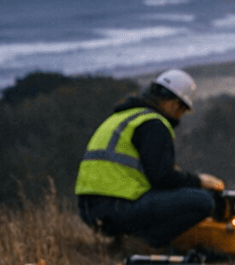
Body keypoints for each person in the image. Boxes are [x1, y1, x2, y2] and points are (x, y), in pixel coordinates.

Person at [75, 69, 221, 250]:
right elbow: (162, 178)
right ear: (175, 105)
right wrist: (199, 181)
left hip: (89, 208)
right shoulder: (154, 124)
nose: (180, 117)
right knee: (202, 201)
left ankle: (128, 240)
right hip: (116, 207)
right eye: (183, 110)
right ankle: (144, 244)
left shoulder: (122, 117)